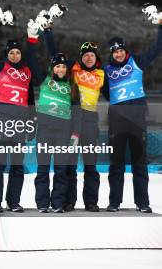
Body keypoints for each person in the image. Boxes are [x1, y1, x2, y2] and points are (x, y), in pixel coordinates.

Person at [43, 28, 104, 212]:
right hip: (72, 120)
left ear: (96, 58)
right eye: (85, 55)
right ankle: (69, 201)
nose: (88, 58)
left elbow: (113, 93)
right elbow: (55, 54)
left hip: (90, 120)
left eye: (91, 55)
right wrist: (47, 32)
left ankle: (91, 202)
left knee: (91, 165)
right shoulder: (74, 68)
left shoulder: (102, 74)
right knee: (70, 164)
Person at [102, 19, 161, 213]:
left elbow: (157, 48)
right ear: (111, 53)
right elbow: (105, 92)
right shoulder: (106, 71)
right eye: (115, 51)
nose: (118, 54)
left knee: (139, 162)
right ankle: (114, 202)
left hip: (136, 119)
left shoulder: (137, 61)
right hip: (117, 120)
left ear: (125, 50)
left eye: (121, 50)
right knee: (116, 163)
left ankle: (142, 202)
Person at [27, 27, 78, 213]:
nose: (61, 69)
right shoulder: (44, 79)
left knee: (61, 170)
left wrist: (76, 133)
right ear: (52, 67)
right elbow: (32, 60)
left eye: (63, 66)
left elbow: (77, 112)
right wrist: (32, 40)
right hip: (45, 131)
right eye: (57, 66)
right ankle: (42, 203)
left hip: (63, 133)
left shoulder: (72, 86)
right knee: (42, 170)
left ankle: (57, 203)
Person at [0, 23, 33, 213]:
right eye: (11, 53)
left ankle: (13, 201)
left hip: (21, 121)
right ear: (7, 54)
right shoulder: (0, 68)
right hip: (3, 119)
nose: (14, 56)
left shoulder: (27, 72)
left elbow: (30, 100)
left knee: (17, 166)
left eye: (17, 53)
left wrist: (31, 123)